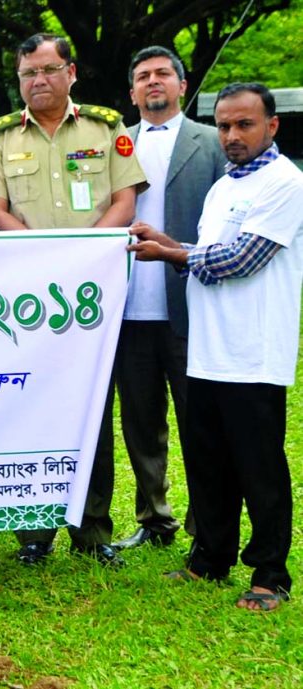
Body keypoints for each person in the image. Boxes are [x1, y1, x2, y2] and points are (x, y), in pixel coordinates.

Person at [129, 82, 303, 612]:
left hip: (252, 354)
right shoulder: (224, 186)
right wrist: (171, 241)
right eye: (224, 125)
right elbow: (210, 249)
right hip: (207, 349)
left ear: (271, 126)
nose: (232, 135)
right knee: (208, 463)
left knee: (260, 468)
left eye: (244, 124)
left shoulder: (285, 182)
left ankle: (271, 574)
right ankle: (211, 558)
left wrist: (171, 254)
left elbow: (239, 260)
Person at [0, 33, 147, 567]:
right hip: (29, 299)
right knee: (31, 403)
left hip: (94, 295)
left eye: (48, 70)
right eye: (28, 73)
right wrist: (43, 258)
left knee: (93, 407)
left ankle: (92, 529)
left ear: (70, 73)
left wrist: (84, 255)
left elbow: (124, 199)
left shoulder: (105, 127)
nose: (37, 81)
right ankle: (35, 533)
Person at [111, 46, 225, 552]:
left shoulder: (212, 142)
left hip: (190, 303)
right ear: (132, 91)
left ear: (181, 84)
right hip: (128, 307)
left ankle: (208, 521)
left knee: (200, 420)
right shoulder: (114, 145)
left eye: (162, 74)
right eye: (142, 76)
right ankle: (154, 518)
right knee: (140, 423)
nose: (152, 82)